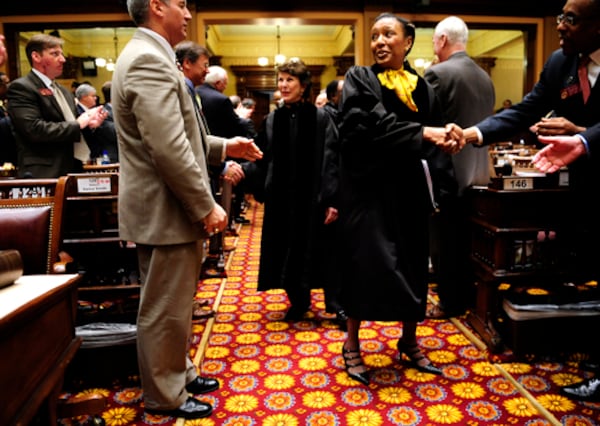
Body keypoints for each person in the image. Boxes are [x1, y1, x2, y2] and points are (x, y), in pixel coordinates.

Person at [111, 0, 261, 419]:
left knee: (176, 303)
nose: (189, 14)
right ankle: (164, 394)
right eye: (181, 4)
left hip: (166, 207)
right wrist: (205, 204)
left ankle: (179, 371)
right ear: (157, 6)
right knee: (163, 308)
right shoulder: (147, 59)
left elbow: (181, 134)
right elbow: (168, 148)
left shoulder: (152, 55)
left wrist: (224, 146)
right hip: (167, 208)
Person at [460, 0, 600, 402]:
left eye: (570, 19)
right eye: (559, 16)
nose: (559, 26)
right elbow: (526, 110)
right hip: (583, 190)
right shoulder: (561, 62)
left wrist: (584, 135)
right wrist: (472, 134)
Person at [337, 12, 460, 385]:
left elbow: (436, 149)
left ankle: (408, 340)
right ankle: (352, 345)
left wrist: (440, 186)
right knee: (364, 265)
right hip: (368, 189)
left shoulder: (425, 89)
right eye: (374, 35)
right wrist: (425, 132)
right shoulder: (361, 78)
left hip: (409, 190)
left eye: (388, 34)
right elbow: (367, 128)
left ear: (407, 42)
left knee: (411, 265)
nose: (379, 42)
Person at [243, 58, 344, 323]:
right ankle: (298, 301)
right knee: (285, 250)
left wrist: (332, 199)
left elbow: (332, 160)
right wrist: (246, 175)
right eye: (281, 80)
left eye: (290, 80)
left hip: (314, 198)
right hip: (282, 201)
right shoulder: (272, 120)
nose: (284, 85)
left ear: (303, 85)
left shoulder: (321, 118)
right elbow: (262, 157)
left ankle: (337, 305)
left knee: (327, 252)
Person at [424, 16, 496, 319]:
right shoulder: (485, 76)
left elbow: (422, 125)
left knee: (446, 242)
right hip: (480, 171)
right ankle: (467, 295)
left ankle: (450, 301)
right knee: (469, 241)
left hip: (448, 171)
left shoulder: (437, 74)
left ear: (441, 40)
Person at [7, 33, 107, 178]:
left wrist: (90, 125)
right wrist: (78, 124)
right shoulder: (22, 87)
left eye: (61, 54)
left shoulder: (64, 92)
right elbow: (34, 129)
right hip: (44, 172)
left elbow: (71, 129)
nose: (63, 59)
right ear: (36, 57)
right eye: (55, 54)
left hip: (73, 167)